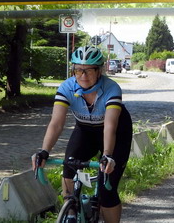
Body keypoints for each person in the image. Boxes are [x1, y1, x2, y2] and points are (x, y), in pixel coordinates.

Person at [32, 46, 133, 223]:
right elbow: (56, 123)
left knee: (106, 190)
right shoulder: (67, 87)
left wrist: (107, 156)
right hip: (85, 130)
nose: (83, 76)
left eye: (89, 70)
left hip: (116, 132)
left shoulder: (111, 88)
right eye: (78, 70)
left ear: (99, 71)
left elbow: (110, 126)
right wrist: (44, 151)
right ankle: (71, 212)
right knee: (68, 169)